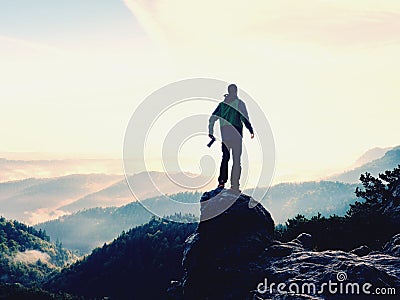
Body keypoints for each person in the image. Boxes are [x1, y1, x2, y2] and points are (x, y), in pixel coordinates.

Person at [208, 84, 254, 191]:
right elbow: (244, 118)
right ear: (236, 91)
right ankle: (235, 185)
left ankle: (221, 182)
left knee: (225, 158)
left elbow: (212, 119)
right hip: (236, 135)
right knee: (236, 160)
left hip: (225, 136)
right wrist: (250, 129)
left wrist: (211, 132)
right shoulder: (239, 103)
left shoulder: (222, 105)